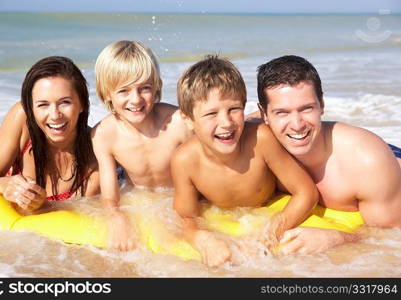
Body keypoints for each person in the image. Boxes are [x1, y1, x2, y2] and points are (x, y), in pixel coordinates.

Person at [172, 55, 319, 267]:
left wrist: (271, 233)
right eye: (211, 113)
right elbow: (186, 218)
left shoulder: (261, 140)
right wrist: (203, 240)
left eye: (234, 109)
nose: (226, 122)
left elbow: (306, 192)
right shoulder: (184, 160)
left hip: (267, 204)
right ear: (187, 119)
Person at [256, 55, 401, 255]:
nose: (297, 124)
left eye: (307, 108)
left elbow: (393, 235)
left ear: (322, 105)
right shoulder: (256, 143)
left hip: (386, 158)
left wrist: (338, 237)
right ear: (264, 114)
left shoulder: (366, 162)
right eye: (282, 112)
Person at [91, 41, 192, 251]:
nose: (135, 100)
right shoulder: (104, 135)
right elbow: (109, 196)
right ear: (106, 93)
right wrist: (116, 217)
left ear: (156, 86)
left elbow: (203, 172)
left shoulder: (178, 122)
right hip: (139, 198)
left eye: (144, 88)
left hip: (179, 197)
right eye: (124, 91)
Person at [0, 56, 100, 212]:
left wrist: (42, 205)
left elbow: (81, 213)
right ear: (31, 108)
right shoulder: (22, 119)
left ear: (82, 104)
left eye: (65, 102)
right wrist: (3, 185)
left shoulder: (97, 151)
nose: (54, 115)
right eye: (43, 104)